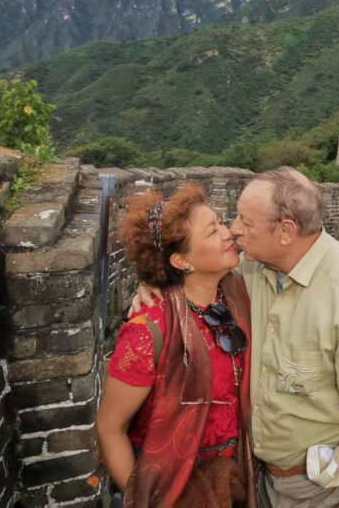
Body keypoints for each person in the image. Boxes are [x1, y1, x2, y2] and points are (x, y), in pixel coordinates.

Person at [136, 168, 339, 508]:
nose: (234, 229)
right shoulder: (252, 269)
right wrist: (157, 283)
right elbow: (197, 272)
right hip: (263, 481)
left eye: (246, 222)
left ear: (286, 231)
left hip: (329, 485)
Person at [96, 184, 257, 508]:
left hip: (233, 478)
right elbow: (110, 427)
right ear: (182, 260)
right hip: (173, 485)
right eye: (213, 231)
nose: (228, 234)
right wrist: (140, 497)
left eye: (221, 223)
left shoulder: (236, 293)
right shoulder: (147, 332)